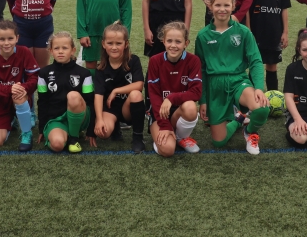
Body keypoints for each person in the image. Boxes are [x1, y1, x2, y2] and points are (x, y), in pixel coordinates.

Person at [194, 0, 270, 155]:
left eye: (226, 5)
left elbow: (256, 61)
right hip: (214, 87)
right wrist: (203, 100)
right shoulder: (203, 36)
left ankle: (249, 131)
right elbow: (201, 70)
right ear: (210, 6)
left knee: (261, 107)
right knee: (219, 142)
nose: (222, 9)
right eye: (218, 5)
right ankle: (239, 119)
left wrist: (258, 87)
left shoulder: (243, 32)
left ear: (233, 6)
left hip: (238, 80)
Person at [0, 20, 40, 151]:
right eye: (2, 39)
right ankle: (12, 119)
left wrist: (24, 88)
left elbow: (35, 77)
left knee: (18, 95)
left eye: (10, 38)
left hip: (20, 97)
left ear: (17, 38)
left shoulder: (24, 52)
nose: (6, 43)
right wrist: (10, 89)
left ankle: (26, 133)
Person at [147, 21, 202, 156]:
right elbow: (154, 95)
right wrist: (164, 125)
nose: (173, 45)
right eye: (169, 41)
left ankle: (181, 137)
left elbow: (196, 92)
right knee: (168, 150)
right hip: (159, 112)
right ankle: (163, 137)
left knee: (190, 107)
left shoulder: (193, 60)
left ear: (186, 43)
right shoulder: (155, 61)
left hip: (179, 111)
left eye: (178, 41)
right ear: (163, 42)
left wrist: (171, 98)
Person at [92, 23, 146, 153]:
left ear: (126, 44)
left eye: (118, 43)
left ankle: (137, 138)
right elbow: (98, 95)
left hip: (127, 108)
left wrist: (116, 91)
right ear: (103, 44)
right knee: (103, 133)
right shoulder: (101, 68)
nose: (114, 47)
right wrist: (99, 120)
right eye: (110, 43)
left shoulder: (133, 61)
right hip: (110, 108)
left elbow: (139, 85)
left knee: (136, 94)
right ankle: (114, 127)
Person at [37, 32, 95, 153]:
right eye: (56, 48)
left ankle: (73, 138)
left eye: (65, 48)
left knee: (73, 96)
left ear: (73, 50)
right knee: (57, 145)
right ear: (51, 51)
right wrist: (42, 128)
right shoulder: (43, 73)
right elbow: (42, 102)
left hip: (81, 117)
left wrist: (91, 131)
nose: (60, 51)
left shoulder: (84, 73)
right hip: (57, 119)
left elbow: (90, 102)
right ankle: (65, 133)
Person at [246, 0, 290, 91]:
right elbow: (247, 10)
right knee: (255, 64)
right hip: (256, 33)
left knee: (272, 65)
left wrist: (285, 32)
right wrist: (248, 30)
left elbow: (284, 10)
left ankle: (273, 95)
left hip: (274, 33)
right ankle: (252, 97)